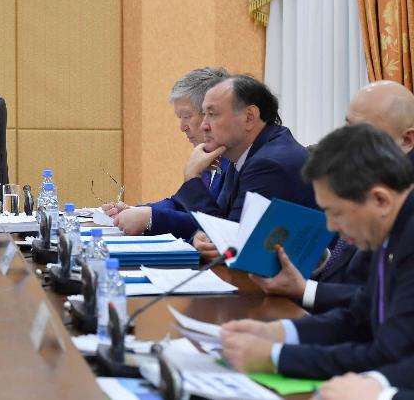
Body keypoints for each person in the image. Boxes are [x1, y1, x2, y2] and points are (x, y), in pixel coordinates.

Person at [220, 124, 414, 379]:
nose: (330, 226)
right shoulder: (389, 226)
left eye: (336, 213)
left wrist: (275, 357)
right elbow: (358, 319)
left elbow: (390, 355)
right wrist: (281, 332)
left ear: (380, 200)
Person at [251, 80, 414, 313]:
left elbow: (375, 303)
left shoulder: (401, 195)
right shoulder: (367, 171)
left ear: (407, 140)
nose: (347, 139)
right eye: (347, 126)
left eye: (363, 131)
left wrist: (306, 290)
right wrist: (318, 260)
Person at [175, 74, 316, 261]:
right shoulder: (243, 154)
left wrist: (192, 177)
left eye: (212, 114)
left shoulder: (269, 164)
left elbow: (231, 249)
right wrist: (200, 237)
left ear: (249, 117)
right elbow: (224, 227)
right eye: (204, 114)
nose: (203, 126)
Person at [101, 67, 231, 238]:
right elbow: (179, 204)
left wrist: (151, 219)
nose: (182, 127)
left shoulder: (235, 160)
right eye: (180, 118)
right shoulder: (208, 155)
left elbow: (219, 225)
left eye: (186, 116)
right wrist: (136, 211)